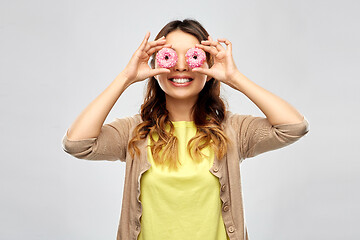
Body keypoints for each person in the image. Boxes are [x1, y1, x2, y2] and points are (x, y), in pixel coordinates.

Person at [62, 19, 309, 240]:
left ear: (209, 68)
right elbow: (78, 143)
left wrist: (234, 78)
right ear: (154, 68)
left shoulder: (233, 130)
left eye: (192, 56)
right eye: (169, 56)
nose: (180, 66)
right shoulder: (134, 132)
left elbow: (293, 127)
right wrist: (126, 77)